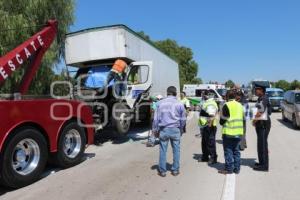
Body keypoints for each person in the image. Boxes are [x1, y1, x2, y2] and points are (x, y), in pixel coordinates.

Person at [152, 86, 186, 177]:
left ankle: (162, 171)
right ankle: (175, 170)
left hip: (164, 130)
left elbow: (155, 119)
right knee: (176, 150)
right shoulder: (180, 104)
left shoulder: (160, 103)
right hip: (176, 130)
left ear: (167, 93)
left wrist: (155, 131)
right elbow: (183, 119)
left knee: (163, 150)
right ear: (175, 93)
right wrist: (181, 129)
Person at [219, 90, 244, 174]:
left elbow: (222, 121)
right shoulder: (240, 105)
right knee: (236, 151)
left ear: (227, 97)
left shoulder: (226, 105)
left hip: (228, 132)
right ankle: (237, 169)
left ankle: (229, 169)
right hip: (238, 132)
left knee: (228, 151)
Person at [252, 84, 271, 172]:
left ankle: (264, 166)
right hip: (260, 123)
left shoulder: (264, 98)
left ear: (262, 90)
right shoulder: (260, 98)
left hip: (263, 124)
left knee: (262, 145)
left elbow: (260, 112)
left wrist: (254, 121)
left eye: (257, 89)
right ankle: (261, 162)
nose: (256, 91)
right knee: (260, 145)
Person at [198, 91, 219, 164]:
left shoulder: (210, 104)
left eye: (204, 94)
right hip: (205, 126)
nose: (203, 95)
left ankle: (213, 158)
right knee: (204, 142)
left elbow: (211, 116)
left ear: (207, 95)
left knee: (210, 142)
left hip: (209, 126)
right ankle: (205, 157)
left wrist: (209, 125)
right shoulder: (207, 102)